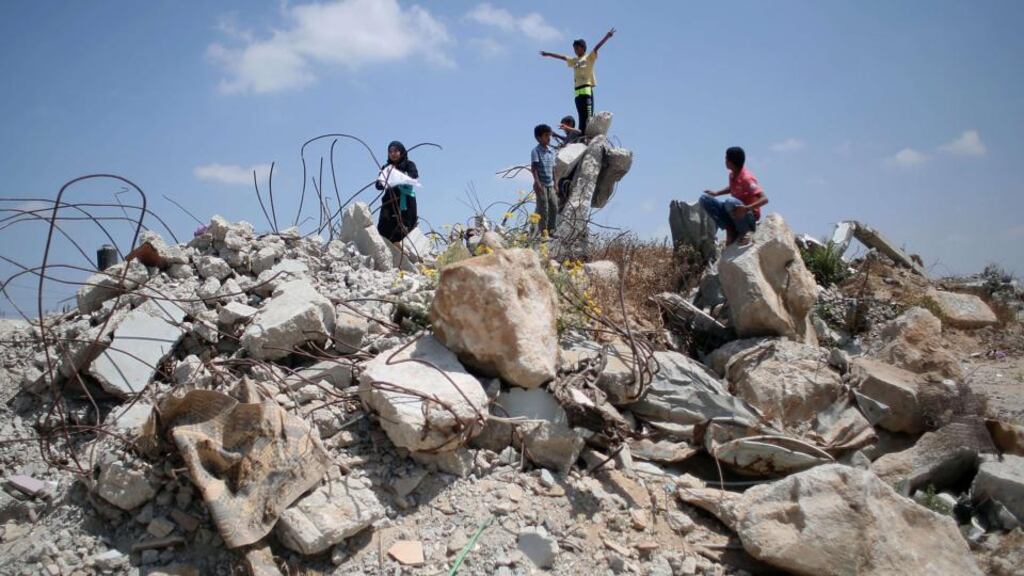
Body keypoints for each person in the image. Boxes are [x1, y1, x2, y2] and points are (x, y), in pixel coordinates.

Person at [540, 28, 616, 136]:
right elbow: (562, 57)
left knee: (588, 118)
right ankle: (581, 136)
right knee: (581, 117)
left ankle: (588, 136)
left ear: (583, 48)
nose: (575, 50)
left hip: (586, 90)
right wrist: (548, 54)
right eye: (574, 48)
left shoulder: (588, 57)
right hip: (577, 92)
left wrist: (607, 36)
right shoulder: (574, 61)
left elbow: (596, 47)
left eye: (577, 47)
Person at [700, 146, 769, 246]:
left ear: (731, 162)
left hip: (748, 217)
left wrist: (746, 208)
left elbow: (764, 199)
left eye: (726, 159)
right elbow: (732, 187)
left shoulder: (747, 179)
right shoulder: (732, 175)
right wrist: (716, 193)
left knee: (730, 202)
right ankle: (730, 229)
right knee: (705, 199)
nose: (725, 161)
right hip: (735, 214)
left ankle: (747, 231)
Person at [375, 141, 419, 243]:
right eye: (390, 152)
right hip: (389, 202)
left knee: (405, 229)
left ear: (401, 152)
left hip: (406, 201)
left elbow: (413, 176)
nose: (393, 154)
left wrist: (397, 174)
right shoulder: (386, 168)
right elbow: (378, 185)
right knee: (384, 229)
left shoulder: (409, 164)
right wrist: (386, 178)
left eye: (395, 151)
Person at [531, 124, 558, 236]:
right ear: (538, 138)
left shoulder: (551, 152)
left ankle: (551, 231)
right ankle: (544, 233)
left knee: (554, 207)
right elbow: (534, 168)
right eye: (546, 135)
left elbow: (553, 169)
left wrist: (556, 183)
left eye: (549, 135)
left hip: (550, 184)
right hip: (541, 184)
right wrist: (537, 182)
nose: (549, 138)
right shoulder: (536, 151)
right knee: (544, 209)